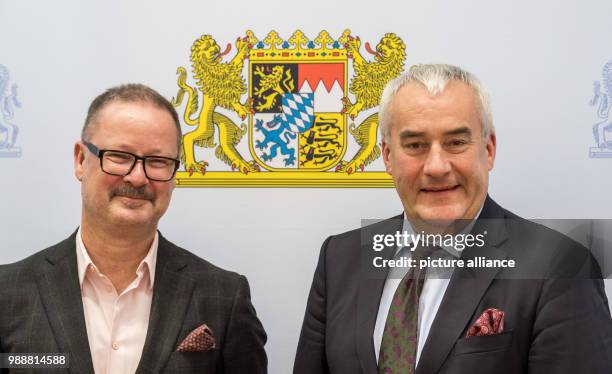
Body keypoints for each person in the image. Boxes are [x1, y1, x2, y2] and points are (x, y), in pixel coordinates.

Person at [294, 64, 612, 374]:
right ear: (388, 156)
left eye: (456, 143)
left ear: (488, 150)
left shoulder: (562, 266)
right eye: (415, 145)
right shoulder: (339, 257)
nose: (436, 167)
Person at [0, 84, 267, 374]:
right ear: (80, 160)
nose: (138, 177)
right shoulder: (9, 294)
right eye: (120, 156)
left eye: (158, 161)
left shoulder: (224, 298)